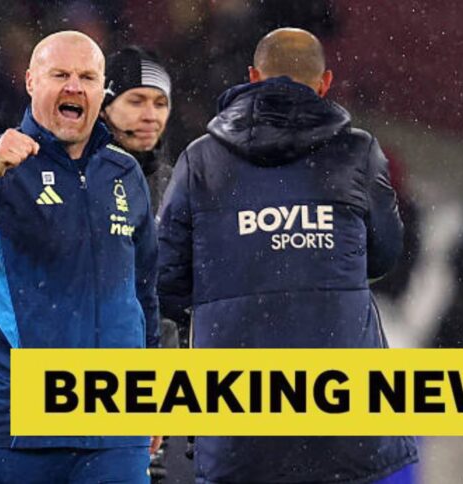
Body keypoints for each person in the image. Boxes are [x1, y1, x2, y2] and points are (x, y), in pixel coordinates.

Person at [157, 27, 418, 483]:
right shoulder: (360, 151)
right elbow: (385, 256)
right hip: (346, 413)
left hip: (238, 419)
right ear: (325, 83)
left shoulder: (200, 160)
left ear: (253, 76)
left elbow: (167, 278)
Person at [0, 31, 160, 483]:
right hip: (16, 426)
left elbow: (144, 294)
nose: (74, 86)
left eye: (87, 76)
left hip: (114, 426)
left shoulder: (124, 171)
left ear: (102, 90)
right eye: (60, 74)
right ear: (31, 82)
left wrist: (154, 397)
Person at [101, 45, 193, 483]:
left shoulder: (180, 187)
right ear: (105, 104)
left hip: (164, 390)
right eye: (136, 100)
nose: (150, 114)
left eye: (160, 103)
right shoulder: (73, 181)